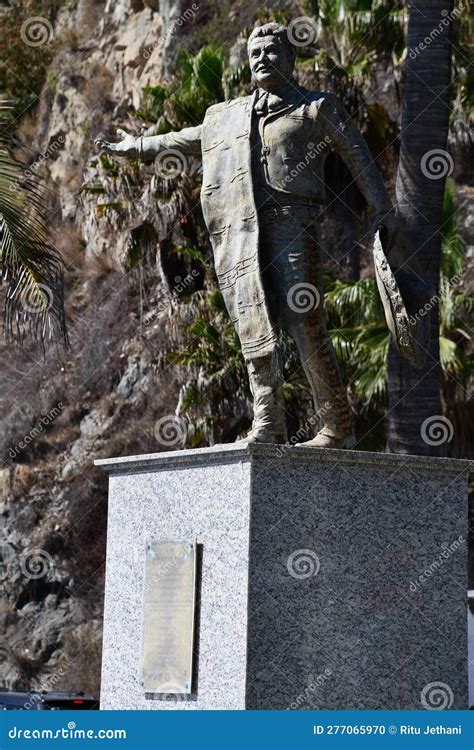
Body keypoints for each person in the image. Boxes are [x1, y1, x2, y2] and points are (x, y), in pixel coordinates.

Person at [96, 22, 398, 448]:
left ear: (291, 59)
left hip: (294, 224)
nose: (262, 59)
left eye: (272, 51)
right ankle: (268, 423)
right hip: (242, 229)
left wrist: (382, 207)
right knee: (252, 323)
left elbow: (356, 152)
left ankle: (337, 426)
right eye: (255, 53)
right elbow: (186, 139)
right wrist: (138, 146)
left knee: (304, 321)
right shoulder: (227, 117)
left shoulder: (315, 107)